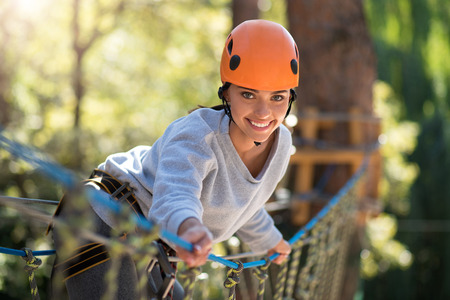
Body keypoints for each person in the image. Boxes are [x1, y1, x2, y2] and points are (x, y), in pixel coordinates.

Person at [49, 19, 299, 299]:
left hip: (150, 239)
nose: (264, 112)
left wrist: (271, 241)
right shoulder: (197, 136)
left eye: (277, 97)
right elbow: (175, 195)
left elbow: (244, 206)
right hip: (100, 215)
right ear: (227, 92)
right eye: (248, 94)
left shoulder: (281, 145)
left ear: (290, 98)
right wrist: (189, 228)